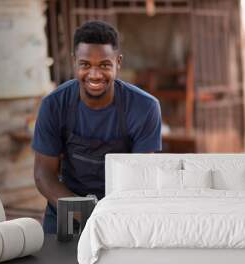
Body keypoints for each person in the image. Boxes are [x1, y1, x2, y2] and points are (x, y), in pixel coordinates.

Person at [32, 21, 162, 233]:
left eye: (104, 64)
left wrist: (106, 218)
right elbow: (43, 175)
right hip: (65, 211)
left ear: (118, 62)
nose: (94, 74)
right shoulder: (54, 105)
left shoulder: (144, 108)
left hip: (120, 215)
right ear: (74, 62)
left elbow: (140, 178)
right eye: (85, 64)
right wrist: (83, 213)